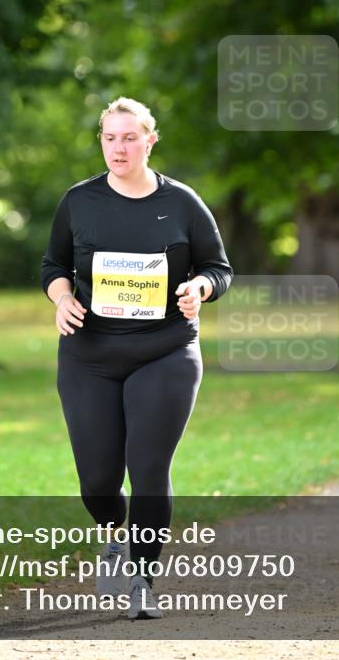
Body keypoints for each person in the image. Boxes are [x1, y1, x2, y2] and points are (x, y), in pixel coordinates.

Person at [40, 96, 234, 619]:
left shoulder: (184, 203)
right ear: (101, 140)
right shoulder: (79, 201)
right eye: (109, 137)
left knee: (148, 469)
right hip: (89, 355)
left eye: (129, 137)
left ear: (150, 140)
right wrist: (62, 299)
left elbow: (219, 268)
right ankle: (112, 534)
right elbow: (53, 265)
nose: (118, 148)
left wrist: (200, 288)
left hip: (165, 351)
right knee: (97, 481)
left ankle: (142, 580)